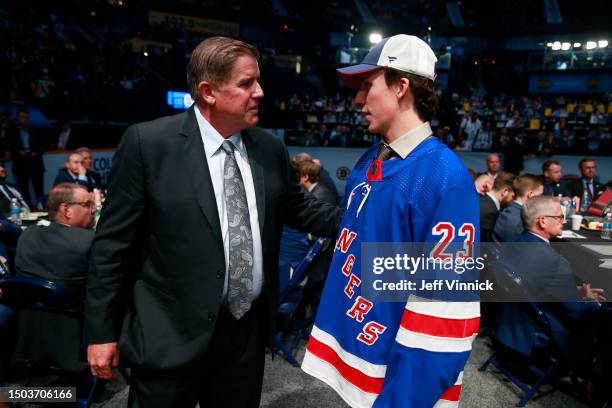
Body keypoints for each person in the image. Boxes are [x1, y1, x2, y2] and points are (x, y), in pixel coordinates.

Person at [85, 36, 340, 408]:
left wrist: (376, 216)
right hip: (168, 334)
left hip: (244, 335)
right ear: (208, 91)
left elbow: (305, 212)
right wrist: (101, 332)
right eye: (246, 83)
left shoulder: (269, 149)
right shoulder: (149, 144)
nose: (260, 92)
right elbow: (112, 247)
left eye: (258, 81)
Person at [301, 34, 480, 407]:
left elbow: (444, 317)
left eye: (367, 86)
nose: (357, 100)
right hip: (365, 357)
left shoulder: (447, 180)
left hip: (401, 386)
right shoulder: (372, 158)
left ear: (402, 86)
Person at [494, 196, 604, 360]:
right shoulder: (557, 262)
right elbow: (574, 311)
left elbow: (532, 280)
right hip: (536, 328)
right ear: (542, 221)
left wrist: (573, 291)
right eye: (559, 217)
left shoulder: (512, 240)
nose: (564, 221)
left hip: (507, 321)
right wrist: (592, 302)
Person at [13, 183, 96, 371]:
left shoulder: (27, 236)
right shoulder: (88, 242)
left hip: (28, 338)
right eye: (87, 205)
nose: (93, 210)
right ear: (66, 209)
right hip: (76, 337)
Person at [7, 109, 46, 208]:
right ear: (18, 118)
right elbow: (9, 145)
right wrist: (18, 151)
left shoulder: (35, 129)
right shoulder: (12, 130)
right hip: (20, 163)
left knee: (39, 188)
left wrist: (35, 152)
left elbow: (43, 144)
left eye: (26, 117)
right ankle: (28, 208)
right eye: (22, 117)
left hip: (35, 161)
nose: (24, 119)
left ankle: (42, 207)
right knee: (23, 189)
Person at [493, 174, 543, 242]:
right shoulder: (520, 220)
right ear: (530, 195)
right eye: (540, 195)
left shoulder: (506, 211)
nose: (542, 199)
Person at [480, 172, 515, 242]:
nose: (513, 200)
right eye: (513, 197)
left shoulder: (482, 201)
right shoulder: (490, 211)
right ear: (505, 192)